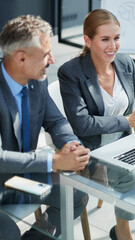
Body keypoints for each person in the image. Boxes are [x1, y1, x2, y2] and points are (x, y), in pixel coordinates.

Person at [58, 9, 135, 240]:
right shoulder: (70, 73)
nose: (113, 46)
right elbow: (82, 124)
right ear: (88, 41)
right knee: (132, 177)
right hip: (93, 151)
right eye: (105, 39)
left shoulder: (125, 62)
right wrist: (128, 120)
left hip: (125, 143)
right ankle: (122, 231)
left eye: (116, 38)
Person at [0, 15, 90, 239]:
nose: (52, 60)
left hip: (22, 176)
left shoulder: (36, 79)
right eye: (45, 55)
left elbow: (55, 121)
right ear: (21, 58)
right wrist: (54, 161)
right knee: (8, 232)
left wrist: (70, 145)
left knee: (76, 195)